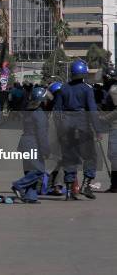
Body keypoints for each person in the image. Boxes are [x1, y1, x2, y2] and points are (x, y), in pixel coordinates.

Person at [53, 59, 100, 201]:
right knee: (90, 156)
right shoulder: (87, 89)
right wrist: (97, 130)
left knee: (70, 158)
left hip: (67, 126)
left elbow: (57, 111)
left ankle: (68, 190)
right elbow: (92, 110)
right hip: (83, 125)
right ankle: (86, 185)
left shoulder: (63, 88)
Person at [11, 87, 51, 203]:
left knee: (29, 171)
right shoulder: (39, 114)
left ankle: (30, 196)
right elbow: (41, 134)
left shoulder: (28, 111)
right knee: (39, 170)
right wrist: (46, 150)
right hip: (33, 144)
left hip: (24, 143)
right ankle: (18, 185)